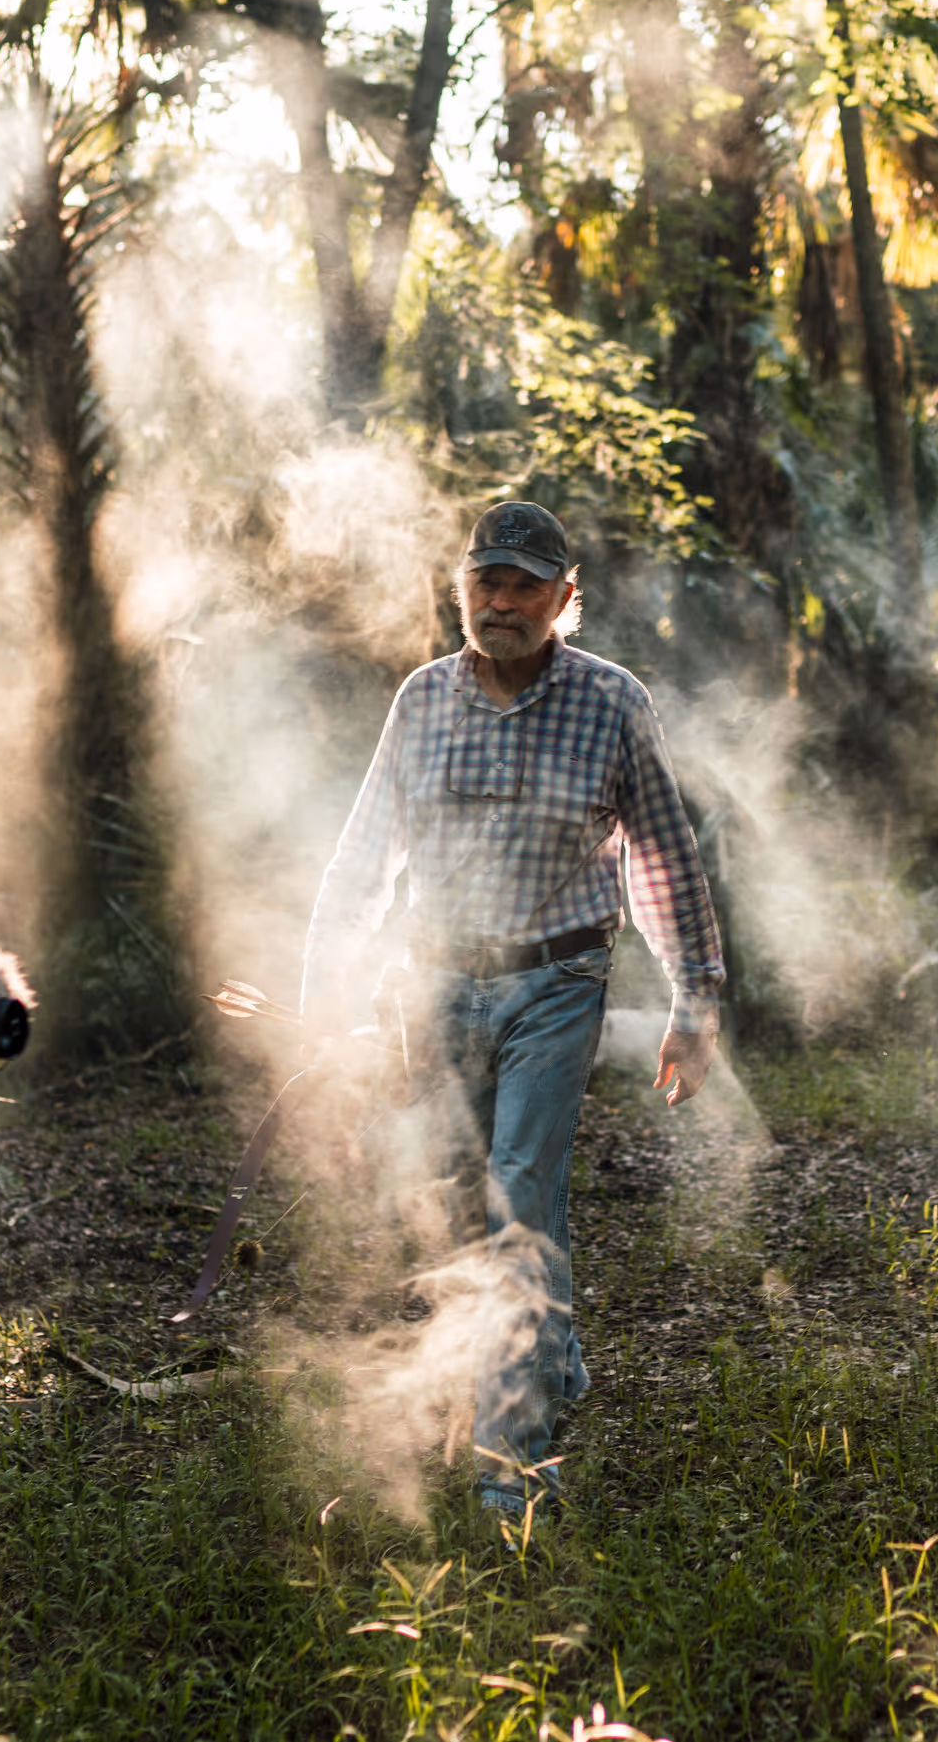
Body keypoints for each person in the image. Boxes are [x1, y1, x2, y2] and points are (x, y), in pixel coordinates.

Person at [302, 500, 724, 1522]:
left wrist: (695, 1002)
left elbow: (664, 857)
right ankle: (555, 1366)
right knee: (456, 1198)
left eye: (525, 585)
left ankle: (511, 1458)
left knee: (519, 1194)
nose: (501, 601)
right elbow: (365, 855)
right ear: (462, 591)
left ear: (564, 600)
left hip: (556, 982)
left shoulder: (613, 703)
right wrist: (327, 991)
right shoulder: (422, 700)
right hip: (436, 983)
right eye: (486, 582)